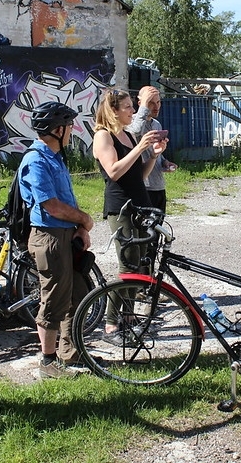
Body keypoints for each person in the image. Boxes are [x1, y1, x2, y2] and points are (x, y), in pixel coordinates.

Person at [17, 101, 95, 379]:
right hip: (48, 237)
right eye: (70, 126)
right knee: (53, 300)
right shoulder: (36, 160)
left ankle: (71, 353)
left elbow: (66, 200)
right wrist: (85, 218)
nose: (73, 130)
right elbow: (51, 206)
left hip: (65, 233)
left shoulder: (55, 157)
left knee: (76, 294)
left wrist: (80, 227)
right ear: (58, 130)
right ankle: (48, 362)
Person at [92, 88, 166, 344]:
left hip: (140, 205)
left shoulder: (128, 135)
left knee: (139, 263)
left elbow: (139, 175)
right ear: (113, 110)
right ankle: (111, 325)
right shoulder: (104, 136)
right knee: (127, 266)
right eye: (127, 107)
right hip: (121, 208)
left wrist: (153, 155)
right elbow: (113, 171)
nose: (133, 111)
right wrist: (140, 147)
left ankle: (129, 317)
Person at [126, 85, 177, 212]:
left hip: (158, 185)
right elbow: (135, 131)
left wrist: (164, 162)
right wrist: (143, 106)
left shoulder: (156, 124)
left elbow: (155, 151)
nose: (156, 107)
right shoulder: (131, 122)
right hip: (143, 186)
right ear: (141, 103)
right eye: (151, 102)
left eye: (158, 102)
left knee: (158, 224)